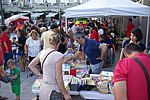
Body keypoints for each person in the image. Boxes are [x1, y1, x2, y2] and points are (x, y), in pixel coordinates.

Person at [28, 33, 72, 100]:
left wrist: (40, 75)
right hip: (53, 89)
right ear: (59, 43)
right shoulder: (58, 55)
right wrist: (65, 94)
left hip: (44, 88)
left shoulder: (42, 52)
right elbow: (58, 77)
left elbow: (31, 65)